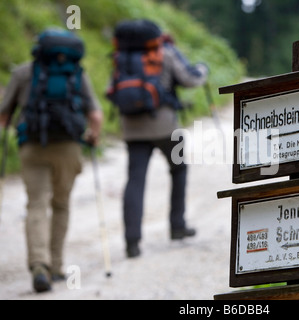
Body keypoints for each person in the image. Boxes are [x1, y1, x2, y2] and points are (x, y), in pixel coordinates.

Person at [0, 28, 103, 293]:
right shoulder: (77, 73)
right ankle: (56, 265)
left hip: (33, 146)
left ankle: (39, 264)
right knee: (61, 204)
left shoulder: (23, 73)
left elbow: (4, 114)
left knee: (36, 204)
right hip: (68, 147)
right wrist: (94, 136)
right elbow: (96, 115)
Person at [107, 20, 208, 258]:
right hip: (165, 126)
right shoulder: (165, 52)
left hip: (132, 127)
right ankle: (177, 226)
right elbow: (190, 79)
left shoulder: (121, 56)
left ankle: (132, 242)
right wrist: (203, 70)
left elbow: (111, 90)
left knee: (135, 180)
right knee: (179, 169)